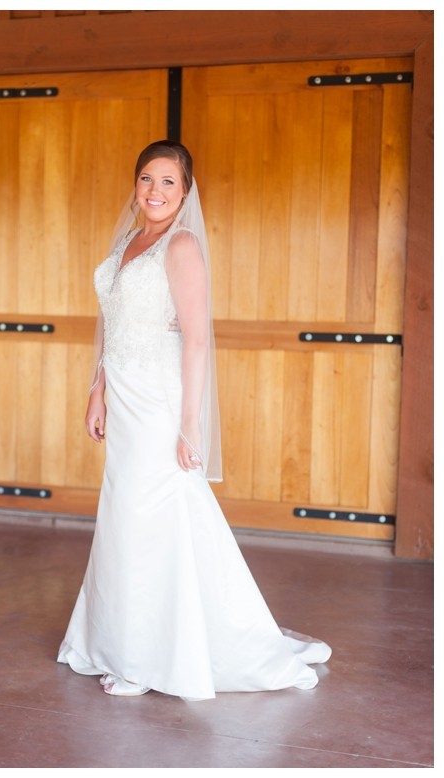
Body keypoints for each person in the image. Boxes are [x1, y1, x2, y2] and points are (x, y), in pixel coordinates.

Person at [57, 140, 331, 699]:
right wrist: (96, 392)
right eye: (146, 180)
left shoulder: (181, 246)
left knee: (143, 515)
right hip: (123, 395)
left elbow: (198, 340)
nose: (154, 192)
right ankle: (115, 638)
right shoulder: (129, 243)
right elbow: (109, 324)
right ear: (135, 185)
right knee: (123, 516)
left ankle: (143, 657)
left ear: (185, 192)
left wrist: (190, 423)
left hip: (160, 402)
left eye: (168, 183)